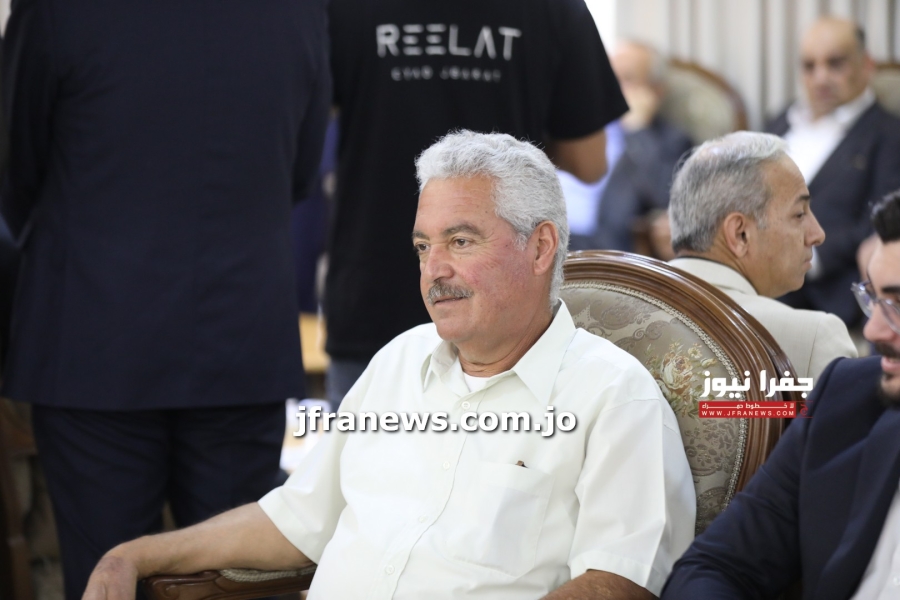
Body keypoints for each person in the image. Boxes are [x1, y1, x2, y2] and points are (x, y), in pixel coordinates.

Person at [84, 132, 696, 600]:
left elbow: (619, 582)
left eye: (461, 241)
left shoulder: (614, 397)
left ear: (539, 247)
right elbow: (295, 519)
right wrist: (136, 554)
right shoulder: (399, 360)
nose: (434, 270)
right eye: (424, 246)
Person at [0, 2, 330, 598]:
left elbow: (16, 164)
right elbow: (300, 172)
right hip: (240, 331)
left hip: (94, 334)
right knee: (237, 581)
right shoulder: (296, 10)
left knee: (107, 576)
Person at [323, 0, 629, 406]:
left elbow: (301, 129)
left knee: (367, 445)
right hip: (505, 314)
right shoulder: (554, 9)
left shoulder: (341, 8)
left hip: (372, 286)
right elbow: (590, 161)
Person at [661, 190, 900, 599]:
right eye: (874, 299)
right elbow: (718, 564)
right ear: (739, 233)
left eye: (898, 304)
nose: (874, 329)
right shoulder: (847, 397)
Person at [668, 131, 856, 381]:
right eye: (799, 214)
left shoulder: (618, 306)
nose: (818, 235)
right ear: (741, 234)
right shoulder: (812, 339)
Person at [767, 17, 900, 327]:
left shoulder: (889, 135)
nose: (821, 78)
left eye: (835, 63)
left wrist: (802, 256)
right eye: (809, 66)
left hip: (822, 288)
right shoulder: (781, 121)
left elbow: (880, 223)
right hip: (757, 269)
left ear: (866, 65)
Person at [560, 40, 692, 252]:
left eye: (627, 79)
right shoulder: (579, 123)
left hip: (599, 250)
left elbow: (665, 198)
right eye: (609, 77)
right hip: (546, 236)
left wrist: (638, 131)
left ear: (656, 90)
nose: (611, 88)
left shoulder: (671, 140)